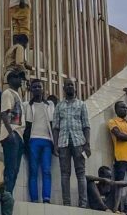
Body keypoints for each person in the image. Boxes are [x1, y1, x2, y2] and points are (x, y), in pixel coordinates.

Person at [52, 79, 90, 207]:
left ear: (75, 88)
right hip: (63, 143)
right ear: (64, 88)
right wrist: (55, 144)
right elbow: (56, 127)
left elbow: (86, 126)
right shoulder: (59, 106)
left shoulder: (82, 104)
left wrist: (87, 144)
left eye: (71, 85)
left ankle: (83, 204)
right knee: (64, 173)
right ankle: (66, 203)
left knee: (81, 173)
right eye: (67, 85)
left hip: (79, 142)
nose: (69, 87)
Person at [24, 78, 55, 203]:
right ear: (31, 89)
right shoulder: (26, 105)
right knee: (33, 171)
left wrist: (56, 144)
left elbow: (54, 124)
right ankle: (34, 199)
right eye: (35, 87)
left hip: (47, 141)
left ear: (43, 89)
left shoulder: (50, 105)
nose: (37, 89)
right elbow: (25, 126)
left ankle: (46, 199)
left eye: (39, 87)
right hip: (33, 141)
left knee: (46, 170)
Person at [6, 0, 39, 71]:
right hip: (22, 4)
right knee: (24, 33)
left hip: (13, 5)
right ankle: (21, 60)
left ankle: (16, 59)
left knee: (16, 33)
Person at [0, 69, 25, 195]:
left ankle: (9, 194)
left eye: (20, 78)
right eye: (16, 77)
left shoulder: (17, 94)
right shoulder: (7, 93)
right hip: (12, 134)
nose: (20, 80)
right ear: (9, 80)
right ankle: (7, 194)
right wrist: (10, 133)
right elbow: (4, 113)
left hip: (18, 135)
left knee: (15, 169)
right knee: (11, 167)